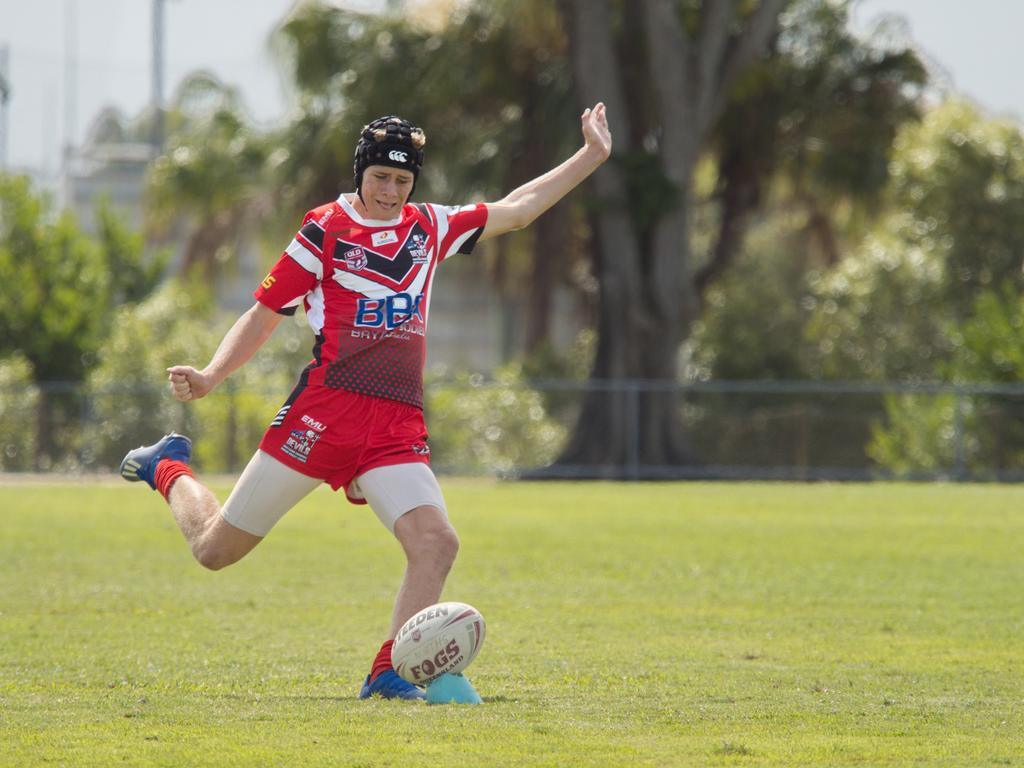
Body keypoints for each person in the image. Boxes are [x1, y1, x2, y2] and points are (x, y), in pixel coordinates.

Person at [120, 103, 612, 700]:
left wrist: (591, 155)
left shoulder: (430, 228)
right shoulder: (323, 229)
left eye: (402, 180)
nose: (390, 190)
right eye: (380, 176)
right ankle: (165, 466)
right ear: (361, 172)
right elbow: (264, 314)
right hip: (323, 414)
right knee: (215, 551)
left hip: (395, 426)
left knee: (437, 542)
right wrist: (211, 375)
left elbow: (519, 208)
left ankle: (387, 673)